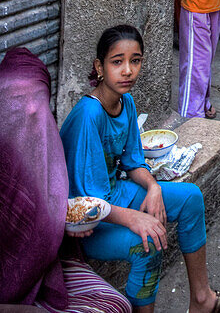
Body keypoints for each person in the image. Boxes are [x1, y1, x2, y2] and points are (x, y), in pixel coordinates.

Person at [59, 26, 220, 313]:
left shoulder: (125, 101)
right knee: (147, 242)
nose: (127, 70)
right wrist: (136, 218)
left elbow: (133, 162)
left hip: (113, 194)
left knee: (190, 198)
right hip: (86, 222)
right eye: (117, 62)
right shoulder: (89, 115)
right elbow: (90, 205)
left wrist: (153, 187)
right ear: (99, 67)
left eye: (135, 60)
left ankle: (202, 299)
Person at [0, 46, 133, 313]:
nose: (30, 114)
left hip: (47, 268)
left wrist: (64, 223)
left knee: (119, 304)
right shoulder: (87, 114)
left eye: (38, 105)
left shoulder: (42, 142)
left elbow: (51, 210)